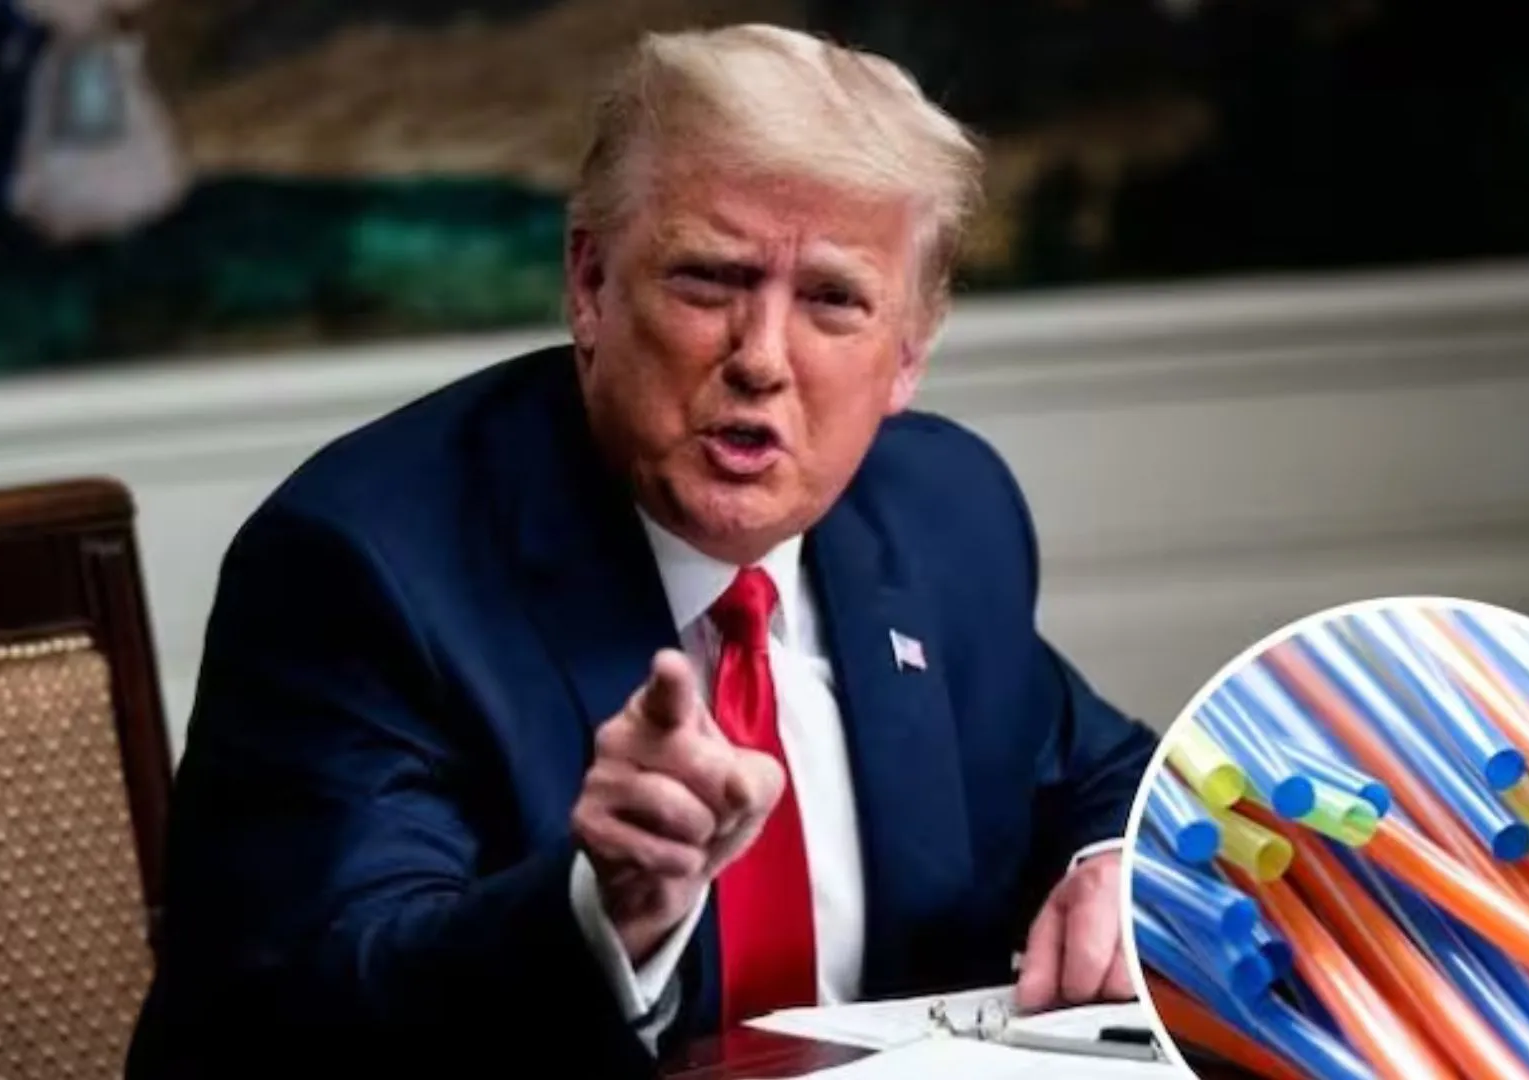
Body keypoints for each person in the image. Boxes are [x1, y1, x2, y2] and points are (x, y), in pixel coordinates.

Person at [124, 23, 1158, 1080]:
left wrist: (1111, 866)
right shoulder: (364, 568)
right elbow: (324, 1003)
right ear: (590, 284)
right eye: (709, 280)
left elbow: (1106, 774)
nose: (761, 359)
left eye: (831, 300)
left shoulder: (940, 515)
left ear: (908, 354)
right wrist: (601, 909)